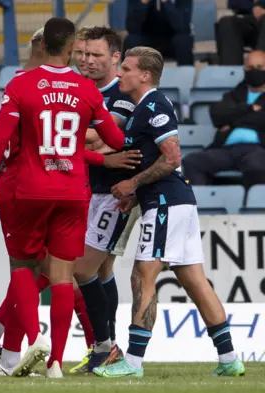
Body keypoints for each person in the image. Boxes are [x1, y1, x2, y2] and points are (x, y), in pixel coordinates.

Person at [0, 26, 140, 377]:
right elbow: (115, 137)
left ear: (43, 44)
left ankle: (34, 340)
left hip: (29, 189)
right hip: (73, 191)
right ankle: (56, 364)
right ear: (74, 49)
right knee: (63, 278)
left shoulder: (21, 84)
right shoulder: (86, 90)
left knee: (23, 268)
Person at [93, 46, 246, 378]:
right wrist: (136, 193)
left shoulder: (154, 105)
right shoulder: (142, 107)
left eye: (127, 69)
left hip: (166, 204)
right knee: (193, 280)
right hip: (175, 202)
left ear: (145, 75)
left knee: (141, 277)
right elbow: (156, 158)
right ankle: (229, 357)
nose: (120, 74)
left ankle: (132, 362)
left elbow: (172, 158)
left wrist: (133, 183)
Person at [69, 26, 141, 374]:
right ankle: (106, 347)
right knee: (102, 270)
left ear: (115, 57)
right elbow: (92, 141)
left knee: (82, 269)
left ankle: (105, 346)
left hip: (115, 193)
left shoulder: (122, 94)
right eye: (82, 54)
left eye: (96, 55)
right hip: (86, 190)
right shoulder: (79, 90)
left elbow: (102, 138)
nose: (87, 61)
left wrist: (62, 132)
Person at [183, 50, 265, 188]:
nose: (254, 72)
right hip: (227, 149)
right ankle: (201, 206)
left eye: (259, 68)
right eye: (250, 68)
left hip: (258, 149)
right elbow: (217, 114)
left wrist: (232, 122)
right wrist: (249, 110)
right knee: (192, 162)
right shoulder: (233, 95)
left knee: (256, 166)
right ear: (244, 69)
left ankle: (252, 206)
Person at [124, 0, 194, 66]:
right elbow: (131, 28)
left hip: (172, 40)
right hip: (146, 39)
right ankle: (129, 77)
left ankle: (186, 76)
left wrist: (167, 3)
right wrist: (143, 3)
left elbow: (183, 27)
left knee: (184, 41)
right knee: (131, 41)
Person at [216, 0, 265, 65]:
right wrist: (256, 6)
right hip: (252, 20)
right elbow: (233, 3)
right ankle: (232, 71)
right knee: (227, 23)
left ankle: (260, 68)